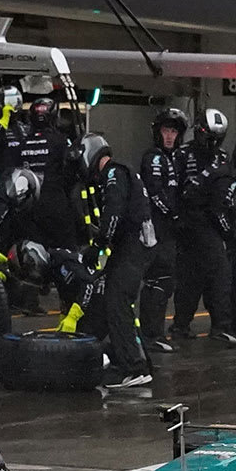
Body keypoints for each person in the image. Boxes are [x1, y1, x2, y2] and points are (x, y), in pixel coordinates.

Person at [59, 134, 154, 388]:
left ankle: (134, 367)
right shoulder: (121, 173)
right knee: (113, 301)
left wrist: (98, 245)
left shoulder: (114, 172)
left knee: (118, 302)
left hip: (133, 248)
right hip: (133, 248)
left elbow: (114, 212)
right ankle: (129, 360)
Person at [172, 108, 236, 343]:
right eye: (208, 136)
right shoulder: (181, 155)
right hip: (189, 223)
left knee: (194, 276)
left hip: (210, 222)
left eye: (216, 138)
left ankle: (182, 325)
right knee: (217, 273)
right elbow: (174, 189)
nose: (211, 142)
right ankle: (220, 326)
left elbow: (223, 197)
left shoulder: (222, 157)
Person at [138, 108, 186, 351]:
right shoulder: (155, 158)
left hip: (168, 229)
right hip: (156, 229)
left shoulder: (174, 159)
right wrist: (173, 213)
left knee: (164, 280)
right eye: (166, 130)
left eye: (174, 131)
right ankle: (151, 334)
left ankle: (152, 332)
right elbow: (154, 191)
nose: (170, 136)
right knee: (160, 280)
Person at [13, 97, 79, 250]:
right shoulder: (60, 141)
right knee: (66, 250)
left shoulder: (22, 143)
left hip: (27, 206)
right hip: (55, 203)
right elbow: (70, 173)